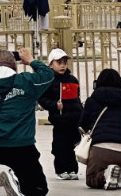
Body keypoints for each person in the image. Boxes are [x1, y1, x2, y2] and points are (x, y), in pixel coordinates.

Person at [0, 45, 55, 196]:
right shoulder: (27, 82)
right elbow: (48, 74)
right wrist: (30, 61)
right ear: (15, 66)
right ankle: (16, 179)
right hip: (23, 146)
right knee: (38, 189)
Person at [79, 68, 121, 190]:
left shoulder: (92, 101)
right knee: (117, 156)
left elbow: (82, 125)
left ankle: (106, 175)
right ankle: (119, 174)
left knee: (91, 179)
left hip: (102, 149)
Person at [40, 47, 82, 182]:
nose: (63, 65)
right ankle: (61, 169)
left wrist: (80, 115)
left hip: (73, 119)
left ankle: (73, 169)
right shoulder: (49, 81)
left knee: (72, 146)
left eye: (64, 62)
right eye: (59, 63)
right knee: (60, 146)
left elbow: (77, 98)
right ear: (51, 64)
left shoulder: (72, 79)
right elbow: (42, 99)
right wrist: (54, 105)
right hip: (59, 119)